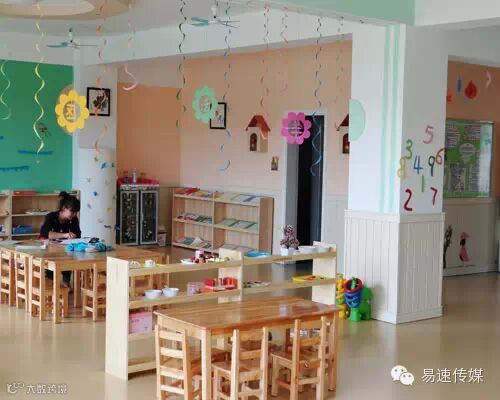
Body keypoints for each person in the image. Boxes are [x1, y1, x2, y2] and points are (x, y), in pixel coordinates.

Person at [40, 191, 81, 287]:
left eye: (76, 212)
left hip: (63, 249)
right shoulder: (51, 217)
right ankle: (51, 282)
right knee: (52, 263)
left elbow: (78, 235)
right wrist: (65, 235)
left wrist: (73, 236)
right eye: (72, 211)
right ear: (64, 208)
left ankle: (66, 282)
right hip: (48, 249)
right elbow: (45, 234)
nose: (74, 214)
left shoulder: (73, 219)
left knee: (69, 257)